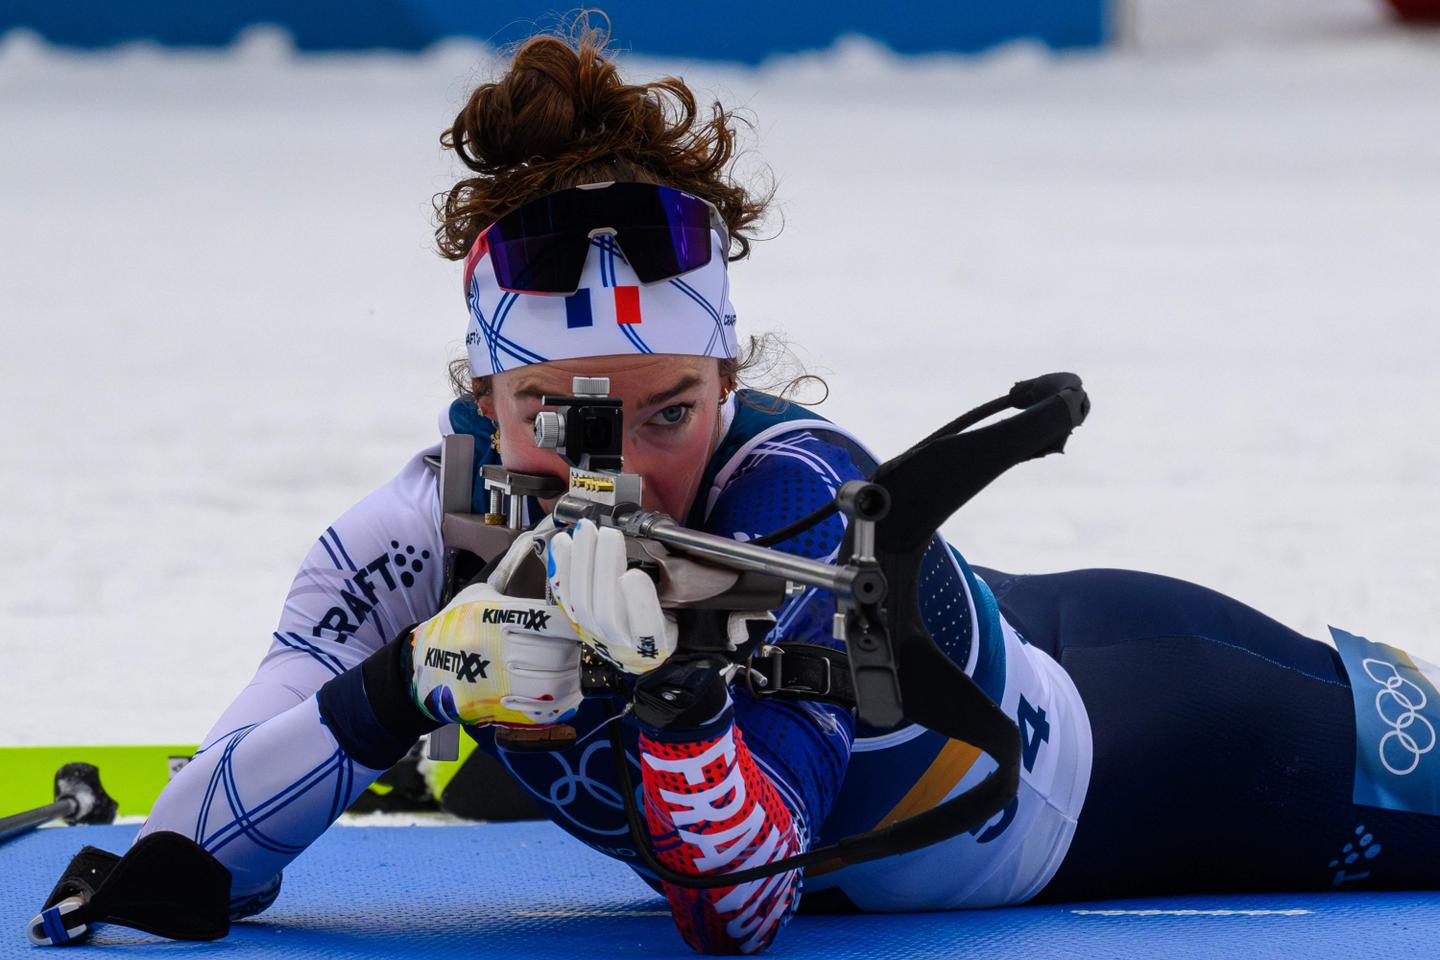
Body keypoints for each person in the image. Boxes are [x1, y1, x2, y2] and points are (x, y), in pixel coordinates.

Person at [40, 25, 1440, 957]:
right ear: (482, 403)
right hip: (1051, 665)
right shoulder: (421, 536)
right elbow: (193, 851)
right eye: (560, 414)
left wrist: (680, 698)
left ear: (729, 378)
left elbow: (747, 910)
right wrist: (403, 687)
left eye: (671, 411)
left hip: (1147, 751)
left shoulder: (791, 502)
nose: (622, 462)